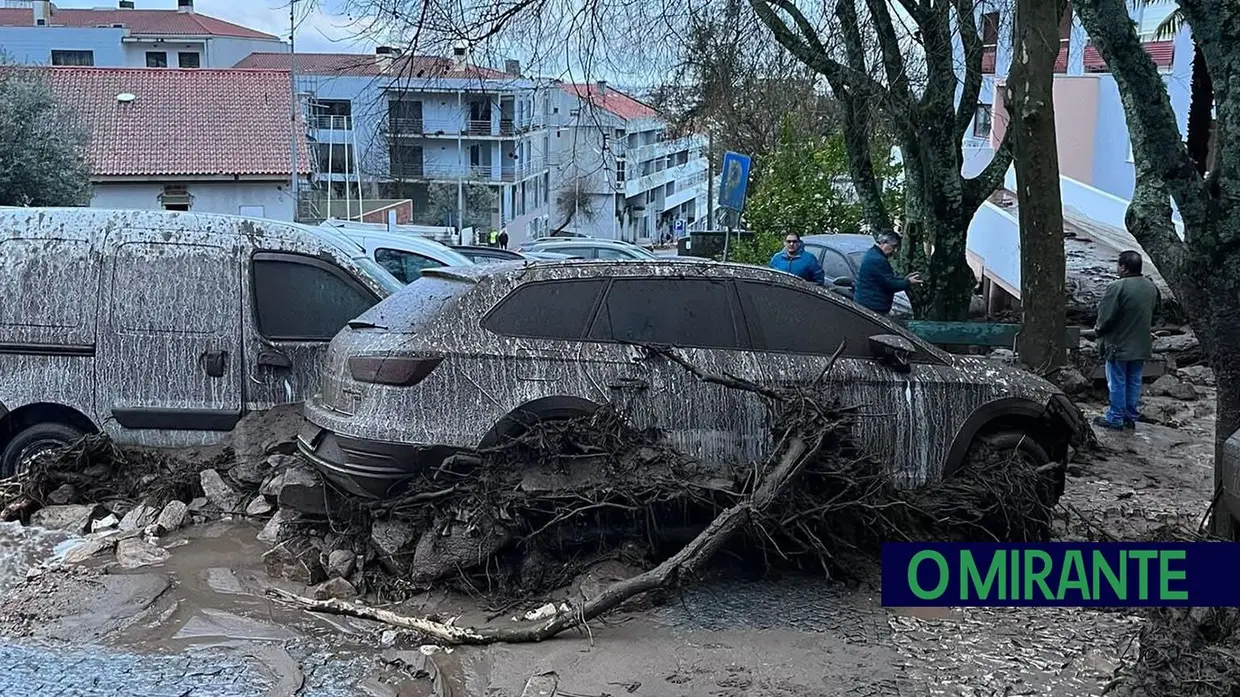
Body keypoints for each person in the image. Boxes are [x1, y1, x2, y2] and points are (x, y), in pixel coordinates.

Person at [1094, 250, 1161, 430]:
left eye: (1118, 265)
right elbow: (1157, 314)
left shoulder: (1117, 287)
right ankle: (1130, 416)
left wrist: (1098, 331)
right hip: (1141, 345)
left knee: (1116, 381)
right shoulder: (1151, 287)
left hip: (1118, 345)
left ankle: (1115, 417)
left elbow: (1105, 318)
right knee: (1134, 380)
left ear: (1123, 267)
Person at [854, 231, 922, 315]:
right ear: (884, 243)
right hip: (872, 306)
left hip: (869, 304)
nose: (895, 250)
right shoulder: (877, 260)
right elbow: (889, 284)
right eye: (893, 246)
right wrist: (908, 282)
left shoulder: (873, 254)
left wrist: (904, 279)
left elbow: (885, 278)